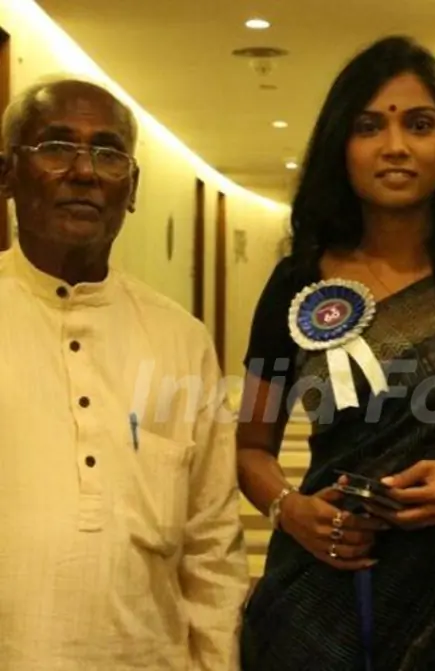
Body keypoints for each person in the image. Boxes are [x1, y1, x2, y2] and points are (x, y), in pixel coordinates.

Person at [236, 36, 435, 671]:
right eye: (369, 126)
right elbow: (251, 447)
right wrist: (291, 510)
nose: (395, 147)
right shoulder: (296, 283)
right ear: (342, 146)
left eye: (420, 124)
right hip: (319, 584)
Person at [0, 78, 249, 670]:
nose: (84, 171)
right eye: (56, 148)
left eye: (109, 153)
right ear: (8, 175)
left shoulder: (180, 339)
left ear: (131, 188)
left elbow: (212, 545)